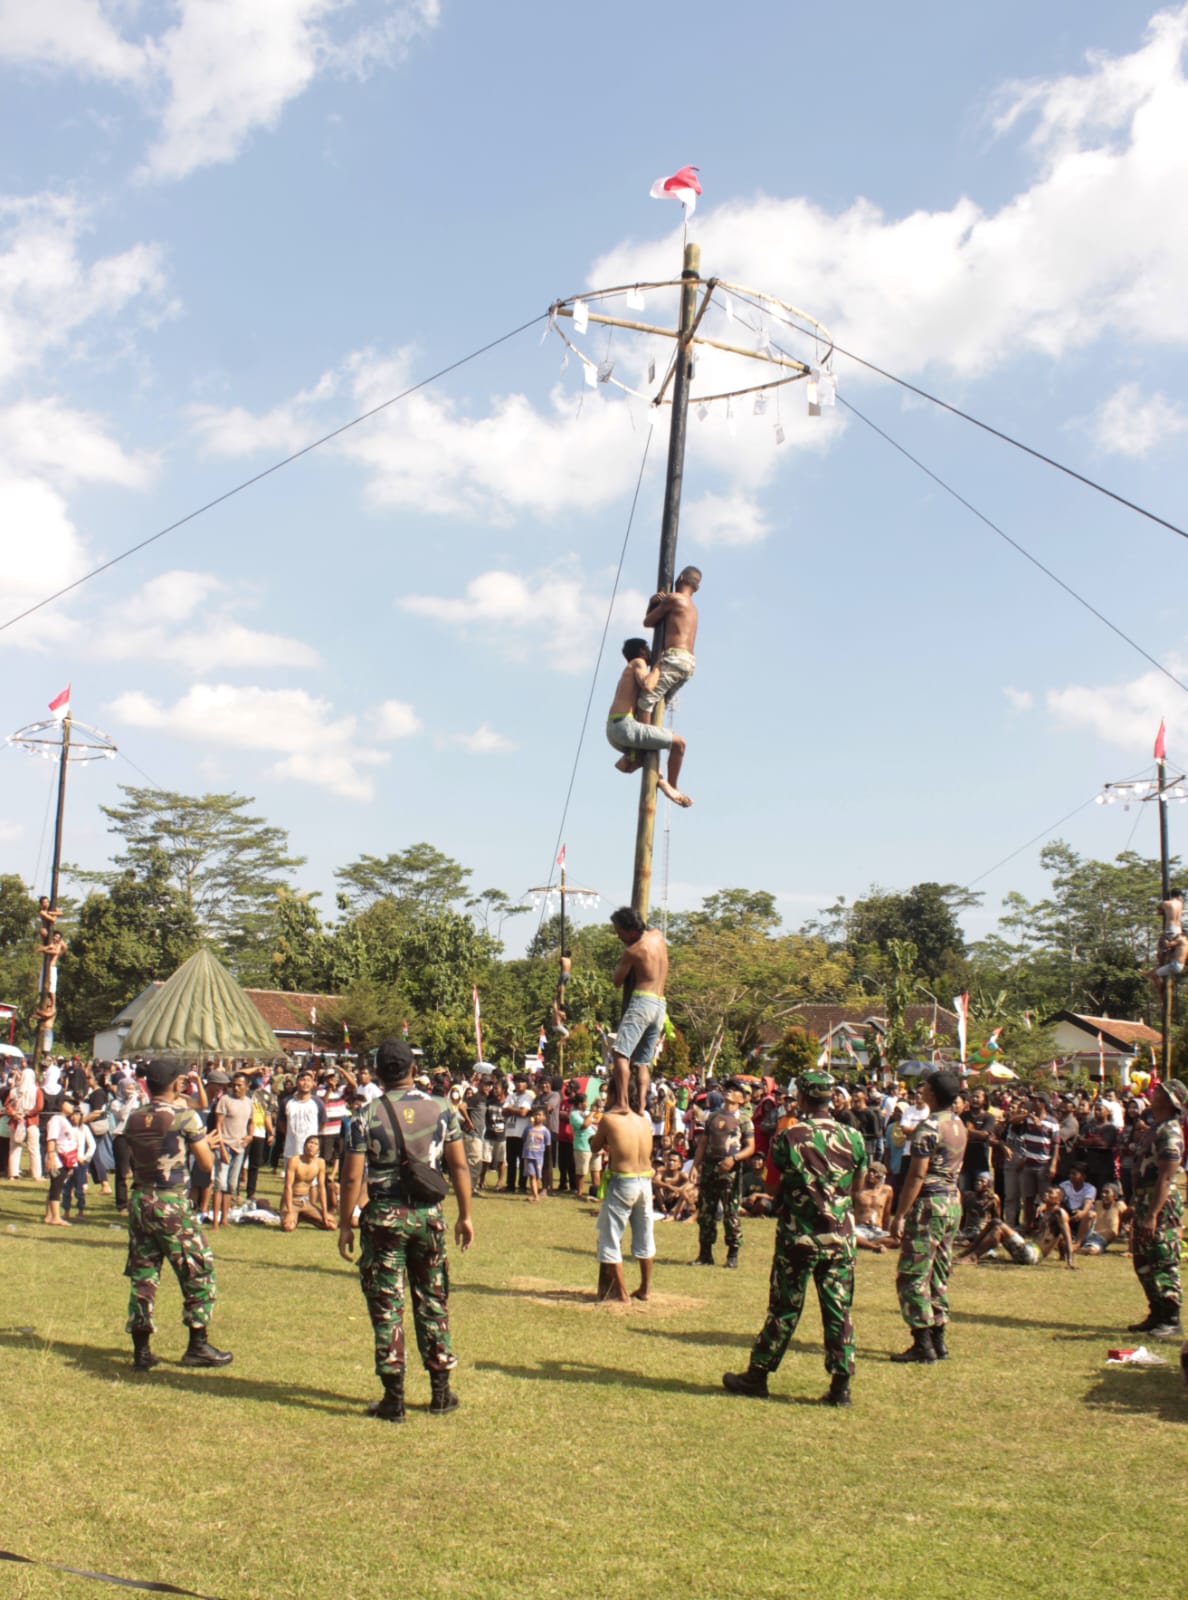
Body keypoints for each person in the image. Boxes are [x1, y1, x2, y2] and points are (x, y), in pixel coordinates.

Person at [337, 1038, 473, 1422]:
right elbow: (460, 1167)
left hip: (383, 1218)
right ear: (413, 1069)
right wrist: (465, 1215)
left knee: (387, 1305)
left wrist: (346, 1223)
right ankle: (440, 1391)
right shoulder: (443, 1109)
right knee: (433, 1300)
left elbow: (351, 1177)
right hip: (429, 1216)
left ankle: (393, 1397)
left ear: (378, 1072)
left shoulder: (365, 1115)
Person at [723, 1069, 867, 1407]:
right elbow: (858, 1188)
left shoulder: (788, 1137)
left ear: (801, 1098)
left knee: (785, 1307)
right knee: (838, 1309)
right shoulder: (854, 1137)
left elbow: (771, 1187)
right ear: (831, 1098)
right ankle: (841, 1386)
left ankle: (757, 1375)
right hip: (841, 1237)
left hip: (799, 1237)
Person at [122, 1058, 233, 1370]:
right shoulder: (185, 1117)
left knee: (144, 1275)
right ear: (173, 1083)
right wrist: (206, 1144)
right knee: (198, 1270)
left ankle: (141, 1349)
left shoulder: (134, 1117)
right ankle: (197, 1344)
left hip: (140, 1200)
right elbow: (207, 1165)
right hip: (171, 1203)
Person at [889, 1069, 968, 1364]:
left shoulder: (928, 1127)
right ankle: (939, 1339)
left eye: (925, 1088)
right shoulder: (959, 1125)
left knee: (913, 1273)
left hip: (929, 1205)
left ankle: (922, 1342)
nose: (920, 1091)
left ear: (933, 1094)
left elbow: (917, 1175)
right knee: (938, 1272)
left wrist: (900, 1215)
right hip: (951, 1203)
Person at [1125, 1078, 1186, 1339]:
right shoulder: (1154, 1127)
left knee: (1162, 1259)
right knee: (1141, 1258)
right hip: (1143, 1201)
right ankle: (1156, 1311)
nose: (1154, 1092)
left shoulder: (1170, 1131)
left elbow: (1165, 1177)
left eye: (1160, 1091)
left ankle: (1171, 1318)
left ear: (1171, 1101)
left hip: (1160, 1205)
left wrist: (1152, 1214)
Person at [589, 1074, 655, 1303]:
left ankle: (623, 1294)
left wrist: (602, 1139)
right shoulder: (643, 1119)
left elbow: (595, 1146)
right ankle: (645, 1288)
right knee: (645, 1237)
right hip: (645, 1181)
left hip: (623, 1181)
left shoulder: (609, 1119)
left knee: (610, 1238)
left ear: (618, 1094)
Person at [606, 639, 692, 807]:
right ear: (642, 651)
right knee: (679, 744)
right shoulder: (638, 662)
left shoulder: (628, 669)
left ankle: (632, 759)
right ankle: (672, 786)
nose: (651, 651)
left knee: (647, 755)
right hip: (625, 726)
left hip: (616, 728)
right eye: (648, 648)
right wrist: (659, 665)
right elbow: (647, 685)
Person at [609, 906, 669, 1112]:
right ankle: (642, 1106)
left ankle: (623, 1103)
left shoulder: (633, 951)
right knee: (643, 1061)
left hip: (642, 1001)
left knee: (619, 1054)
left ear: (630, 930)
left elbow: (617, 981)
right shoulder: (658, 936)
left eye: (620, 932)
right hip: (660, 1004)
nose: (619, 937)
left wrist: (624, 961)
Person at [691, 1079, 754, 1268]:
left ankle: (732, 1254)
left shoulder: (743, 1119)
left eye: (735, 1090)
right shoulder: (712, 1116)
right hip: (710, 1167)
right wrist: (696, 1165)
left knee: (731, 1213)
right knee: (706, 1212)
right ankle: (705, 1253)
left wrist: (734, 1159)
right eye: (728, 1089)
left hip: (730, 1171)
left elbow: (750, 1147)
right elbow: (703, 1142)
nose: (729, 1092)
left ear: (742, 1098)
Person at [637, 566, 701, 715]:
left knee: (645, 702)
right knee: (659, 704)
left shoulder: (674, 598)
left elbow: (648, 622)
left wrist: (652, 603)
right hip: (689, 662)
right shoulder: (693, 607)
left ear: (681, 578)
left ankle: (647, 738)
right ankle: (653, 732)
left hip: (675, 658)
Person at [212, 1073, 253, 1229]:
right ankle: (215, 1221)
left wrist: (249, 1136)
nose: (236, 1088)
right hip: (225, 1145)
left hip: (239, 1147)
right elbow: (218, 1125)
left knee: (231, 1184)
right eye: (234, 1085)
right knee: (219, 1184)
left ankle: (225, 1218)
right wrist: (221, 1147)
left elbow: (251, 1122)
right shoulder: (225, 1100)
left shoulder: (249, 1102)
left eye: (239, 1085)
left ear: (246, 1086)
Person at [281, 1134, 334, 1230]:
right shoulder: (294, 1161)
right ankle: (294, 1215)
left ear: (318, 1150)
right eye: (310, 1143)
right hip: (292, 1200)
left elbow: (321, 1188)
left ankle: (304, 1216)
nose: (312, 1146)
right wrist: (289, 1211)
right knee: (288, 1227)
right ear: (304, 1146)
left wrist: (325, 1212)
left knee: (332, 1225)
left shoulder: (320, 1163)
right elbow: (287, 1186)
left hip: (306, 1202)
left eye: (315, 1144)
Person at [853, 1161, 894, 1250]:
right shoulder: (858, 1190)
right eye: (869, 1171)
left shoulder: (887, 1190)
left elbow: (887, 1214)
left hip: (877, 1229)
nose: (871, 1174)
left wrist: (886, 1232)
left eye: (874, 1172)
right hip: (860, 1228)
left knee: (896, 1240)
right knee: (852, 1235)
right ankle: (874, 1246)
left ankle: (870, 1243)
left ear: (881, 1176)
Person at [522, 1108, 552, 1202]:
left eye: (539, 1115)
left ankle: (534, 1193)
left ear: (544, 1117)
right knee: (532, 1175)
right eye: (535, 1114)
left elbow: (547, 1144)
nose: (537, 1116)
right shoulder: (528, 1128)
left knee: (538, 1176)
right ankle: (535, 1195)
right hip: (529, 1155)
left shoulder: (545, 1131)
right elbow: (524, 1139)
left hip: (539, 1156)